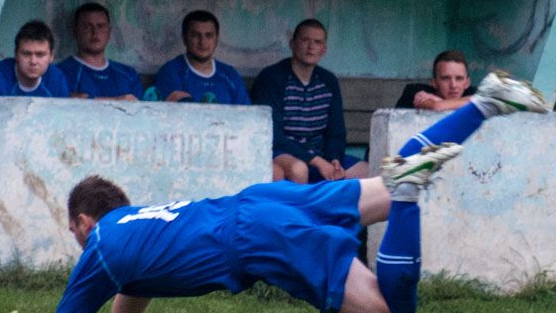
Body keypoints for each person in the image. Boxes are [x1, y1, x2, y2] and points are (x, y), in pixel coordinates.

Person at [12, 72, 548, 313]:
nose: (78, 242)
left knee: (392, 312)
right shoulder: (140, 228)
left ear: (85, 223)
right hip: (261, 202)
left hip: (257, 240)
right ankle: (486, 101)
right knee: (386, 185)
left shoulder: (101, 250)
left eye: (75, 232)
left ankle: (408, 193)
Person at [251, 19, 368, 183]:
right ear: (292, 44)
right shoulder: (272, 78)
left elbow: (336, 132)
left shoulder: (328, 81)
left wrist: (334, 159)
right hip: (282, 153)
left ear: (323, 49)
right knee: (299, 170)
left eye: (317, 42)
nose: (311, 46)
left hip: (320, 154)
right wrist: (316, 161)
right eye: (305, 40)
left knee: (368, 172)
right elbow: (273, 135)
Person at [153, 10, 250, 105]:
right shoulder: (171, 72)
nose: (202, 42)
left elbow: (245, 111)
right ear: (184, 38)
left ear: (217, 39)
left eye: (209, 35)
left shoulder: (230, 74)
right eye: (196, 35)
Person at [57, 2, 144, 101]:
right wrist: (117, 100)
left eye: (100, 26)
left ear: (109, 32)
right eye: (87, 26)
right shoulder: (60, 72)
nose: (95, 32)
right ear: (75, 32)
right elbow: (63, 103)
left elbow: (141, 108)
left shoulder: (129, 74)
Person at [0, 20, 70, 98]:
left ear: (51, 57)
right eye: (26, 54)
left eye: (40, 55)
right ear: (15, 54)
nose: (33, 61)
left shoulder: (57, 79)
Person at [395, 50, 477, 111]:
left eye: (459, 78)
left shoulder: (472, 92)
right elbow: (436, 107)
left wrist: (438, 100)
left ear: (467, 83)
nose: (453, 85)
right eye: (446, 78)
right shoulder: (415, 91)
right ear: (434, 82)